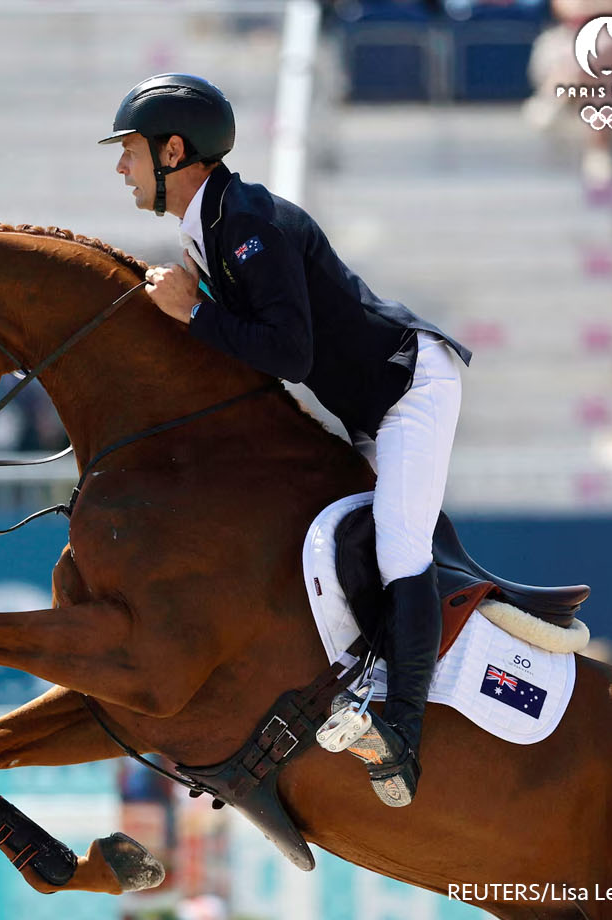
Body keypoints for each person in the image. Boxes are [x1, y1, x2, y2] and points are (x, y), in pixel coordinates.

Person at [101, 73, 471, 807]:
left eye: (132, 151)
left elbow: (289, 354)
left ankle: (401, 727)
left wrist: (192, 314)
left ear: (175, 151)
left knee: (400, 547)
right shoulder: (206, 226)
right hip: (367, 405)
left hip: (409, 386)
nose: (122, 167)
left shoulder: (244, 222)